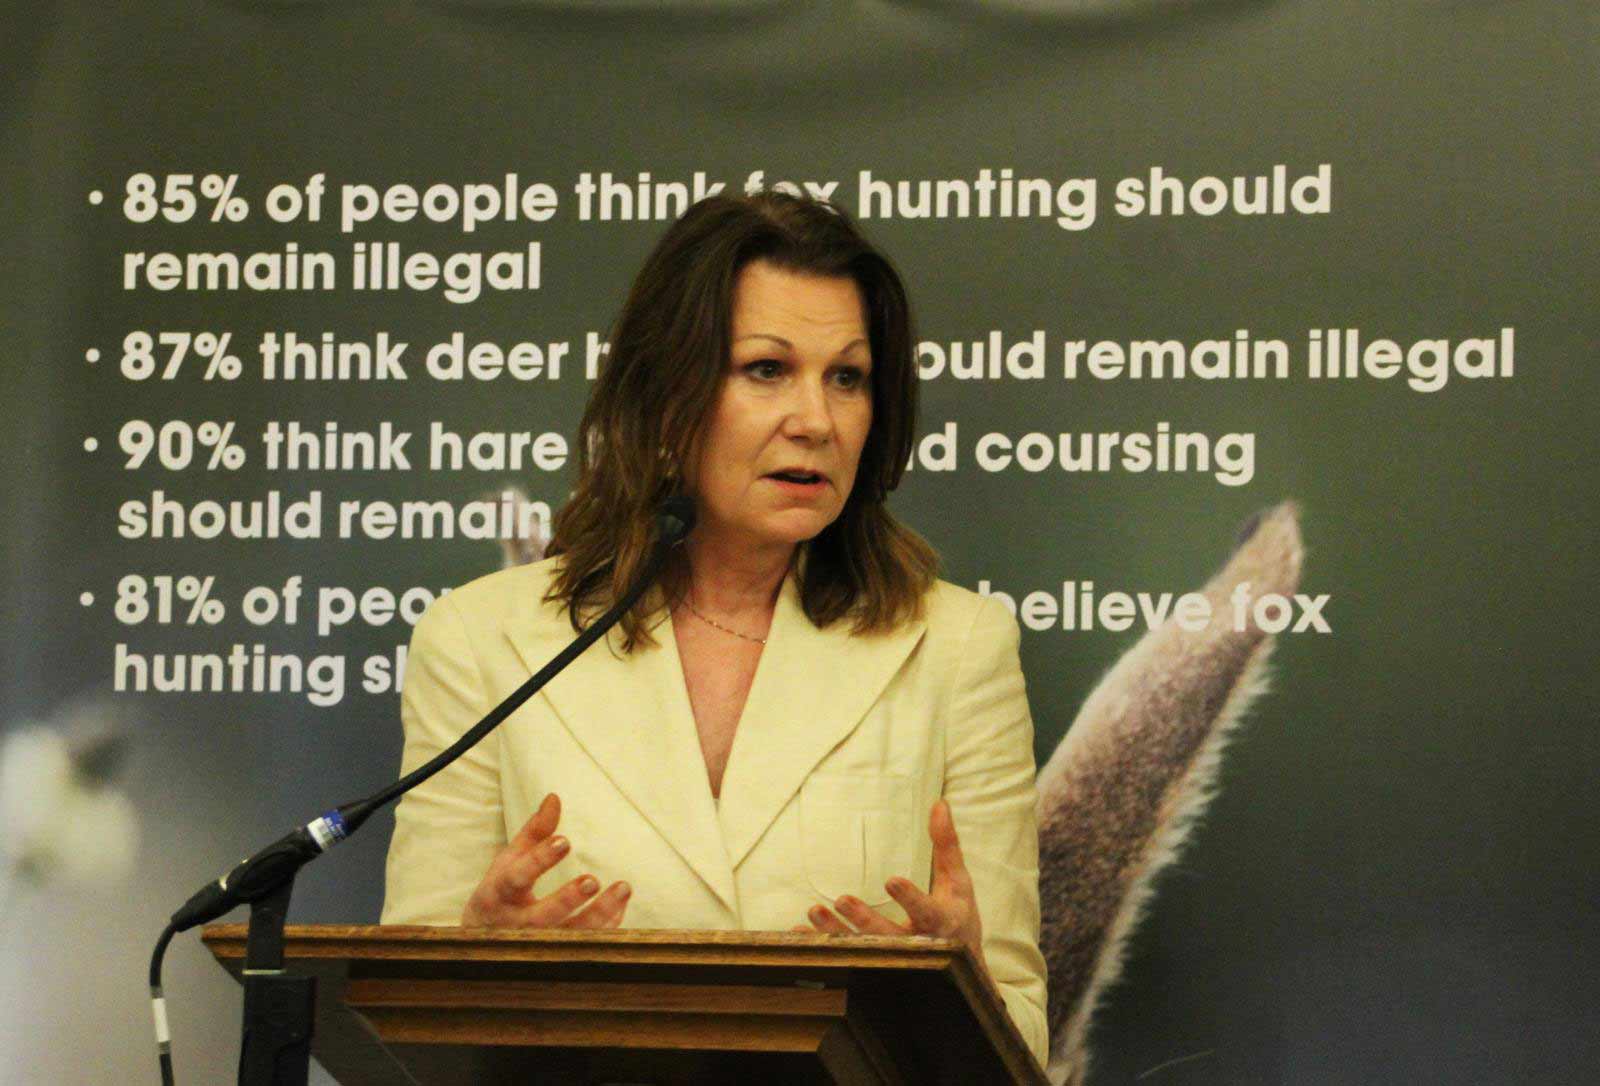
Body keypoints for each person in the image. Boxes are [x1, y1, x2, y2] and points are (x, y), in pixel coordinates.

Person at [382, 191, 1049, 1064]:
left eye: (846, 377)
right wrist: (473, 952)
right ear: (667, 397)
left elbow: (1023, 1040)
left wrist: (965, 990)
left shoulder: (958, 648)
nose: (816, 419)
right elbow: (399, 1011)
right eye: (767, 369)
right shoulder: (481, 639)